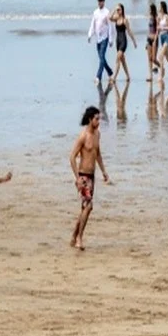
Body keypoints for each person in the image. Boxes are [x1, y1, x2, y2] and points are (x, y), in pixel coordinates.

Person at [69, 106, 109, 251]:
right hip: (83, 177)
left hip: (92, 176)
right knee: (89, 206)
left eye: (99, 118)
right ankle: (79, 238)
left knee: (84, 209)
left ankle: (74, 236)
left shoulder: (97, 135)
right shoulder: (83, 136)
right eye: (96, 119)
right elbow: (72, 157)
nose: (99, 121)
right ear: (90, 119)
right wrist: (77, 178)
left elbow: (98, 154)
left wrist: (104, 171)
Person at [87, 0, 114, 83]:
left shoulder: (107, 12)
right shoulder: (95, 12)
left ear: (104, 1)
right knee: (101, 58)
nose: (100, 2)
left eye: (101, 1)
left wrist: (110, 39)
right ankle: (110, 72)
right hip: (98, 38)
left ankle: (98, 76)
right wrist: (90, 35)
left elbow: (110, 26)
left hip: (105, 38)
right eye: (99, 1)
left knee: (102, 56)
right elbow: (93, 24)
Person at [109, 3, 137, 82]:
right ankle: (128, 76)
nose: (117, 11)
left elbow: (129, 31)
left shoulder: (125, 20)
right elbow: (110, 18)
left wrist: (134, 41)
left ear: (122, 10)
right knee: (122, 60)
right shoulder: (116, 18)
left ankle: (114, 77)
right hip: (117, 41)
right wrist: (114, 10)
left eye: (119, 9)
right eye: (117, 10)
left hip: (123, 42)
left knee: (117, 58)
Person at [146, 3, 162, 80]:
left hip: (154, 39)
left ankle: (161, 67)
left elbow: (158, 30)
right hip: (149, 39)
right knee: (149, 58)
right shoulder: (150, 18)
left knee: (153, 59)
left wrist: (155, 40)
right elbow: (149, 30)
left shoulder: (156, 18)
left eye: (149, 9)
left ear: (152, 9)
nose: (148, 10)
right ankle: (150, 76)